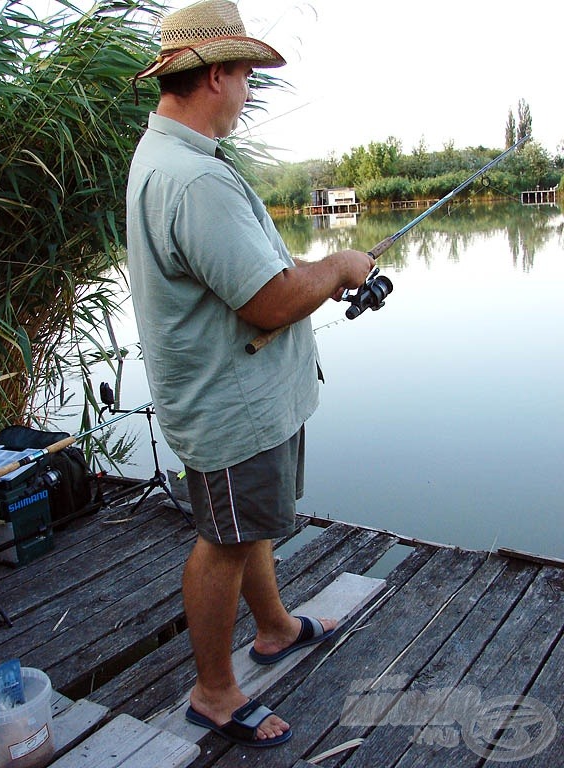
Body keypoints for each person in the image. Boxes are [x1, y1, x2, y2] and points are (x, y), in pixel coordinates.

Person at [127, 0, 375, 748]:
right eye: (245, 78)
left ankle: (274, 628)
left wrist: (317, 272)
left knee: (248, 524)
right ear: (216, 77)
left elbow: (247, 278)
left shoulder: (170, 158)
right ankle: (213, 692)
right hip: (229, 405)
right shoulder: (194, 180)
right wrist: (338, 266)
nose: (248, 93)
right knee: (225, 541)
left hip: (235, 397)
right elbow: (269, 302)